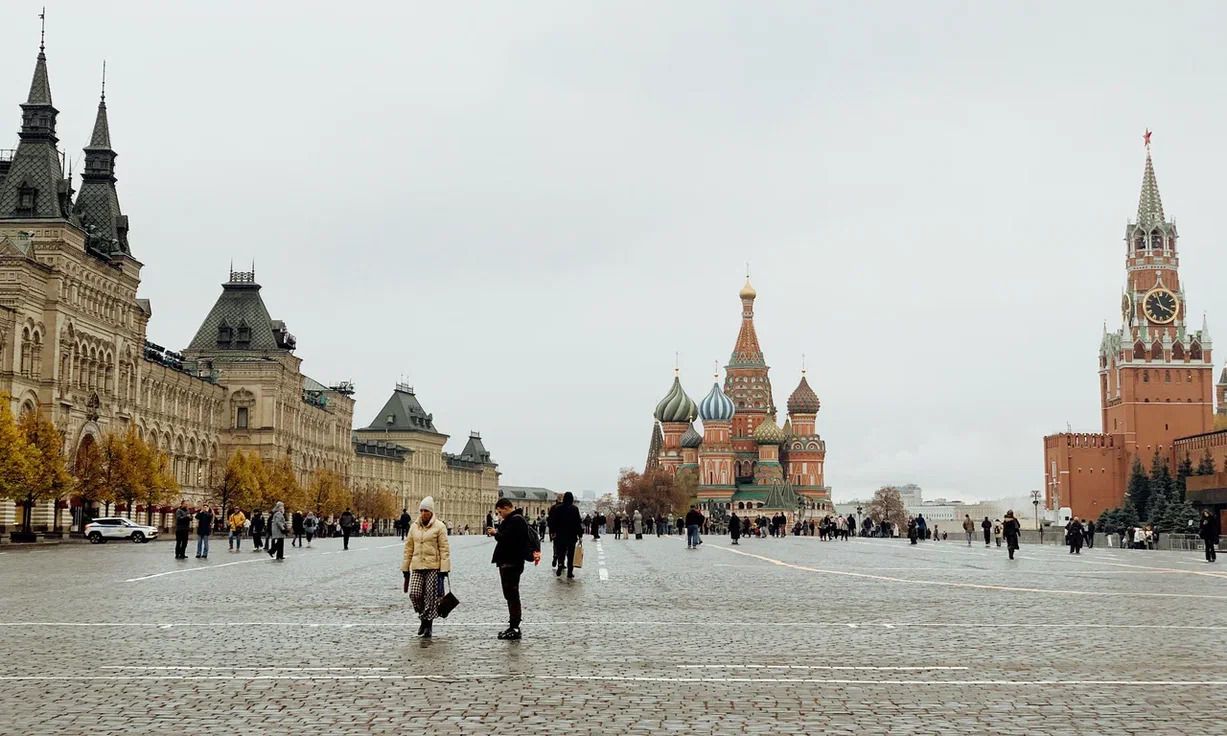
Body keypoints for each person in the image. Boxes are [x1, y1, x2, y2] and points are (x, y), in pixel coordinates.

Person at [489, 497, 541, 640]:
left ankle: (515, 627)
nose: (500, 515)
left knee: (512, 595)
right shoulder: (514, 520)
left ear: (506, 508)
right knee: (510, 595)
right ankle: (513, 625)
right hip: (509, 562)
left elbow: (508, 540)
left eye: (500, 512)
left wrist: (495, 533)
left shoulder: (516, 520)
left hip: (511, 562)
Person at [402, 497, 451, 639]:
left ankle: (428, 624)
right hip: (417, 566)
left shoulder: (439, 527)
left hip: (433, 567)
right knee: (415, 594)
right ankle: (423, 617)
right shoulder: (414, 527)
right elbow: (408, 548)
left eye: (426, 511)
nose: (423, 513)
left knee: (431, 597)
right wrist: (405, 567)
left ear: (431, 512)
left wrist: (444, 569)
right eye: (421, 510)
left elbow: (444, 549)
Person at [551, 492, 583, 578]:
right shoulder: (574, 509)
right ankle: (570, 572)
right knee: (570, 554)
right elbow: (578, 523)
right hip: (571, 536)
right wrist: (580, 535)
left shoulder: (558, 508)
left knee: (561, 552)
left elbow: (554, 521)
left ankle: (560, 564)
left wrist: (553, 532)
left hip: (560, 535)